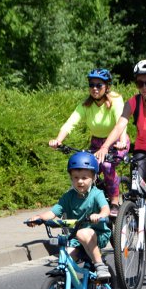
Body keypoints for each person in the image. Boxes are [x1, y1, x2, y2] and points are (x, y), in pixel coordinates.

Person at [94, 59, 146, 270]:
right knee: (134, 191)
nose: (143, 87)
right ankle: (134, 221)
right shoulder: (133, 102)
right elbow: (120, 124)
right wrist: (105, 146)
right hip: (142, 151)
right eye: (139, 83)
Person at [49, 68, 130, 217]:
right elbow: (70, 123)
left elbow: (121, 123)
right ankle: (91, 200)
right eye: (91, 84)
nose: (94, 88)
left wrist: (123, 141)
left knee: (107, 165)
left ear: (107, 86)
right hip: (96, 143)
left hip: (117, 141)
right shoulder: (86, 105)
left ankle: (114, 202)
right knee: (85, 168)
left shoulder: (116, 100)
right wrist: (58, 140)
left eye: (99, 85)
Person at [26, 152, 112, 279]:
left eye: (84, 177)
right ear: (71, 178)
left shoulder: (96, 193)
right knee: (65, 258)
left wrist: (99, 215)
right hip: (76, 239)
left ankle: (100, 266)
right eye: (76, 177)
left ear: (93, 178)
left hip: (97, 234)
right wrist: (39, 217)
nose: (80, 181)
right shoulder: (68, 196)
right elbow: (53, 212)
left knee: (83, 232)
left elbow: (106, 209)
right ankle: (68, 287)